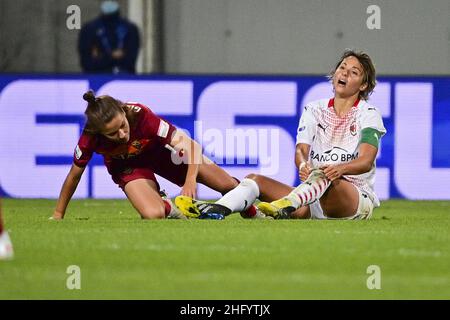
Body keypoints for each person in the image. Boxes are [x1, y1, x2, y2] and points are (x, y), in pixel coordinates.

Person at [176, 49, 386, 220]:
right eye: (342, 68)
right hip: (311, 196)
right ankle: (217, 210)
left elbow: (366, 161)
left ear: (364, 85)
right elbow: (301, 150)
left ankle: (286, 205)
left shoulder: (368, 114)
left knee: (324, 174)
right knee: (253, 180)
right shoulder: (314, 109)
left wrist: (338, 169)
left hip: (353, 199)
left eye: (354, 72)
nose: (345, 74)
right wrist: (303, 165)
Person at [52, 90, 251, 221]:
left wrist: (190, 181)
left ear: (123, 111)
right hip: (129, 168)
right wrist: (58, 214)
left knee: (228, 185)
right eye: (113, 134)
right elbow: (74, 176)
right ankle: (165, 204)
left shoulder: (141, 115)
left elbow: (192, 146)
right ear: (100, 133)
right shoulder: (89, 137)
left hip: (161, 154)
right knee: (152, 214)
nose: (122, 135)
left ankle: (253, 212)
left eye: (122, 126)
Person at [78, 1, 140, 74]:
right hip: (96, 75)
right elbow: (87, 61)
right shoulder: (89, 29)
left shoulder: (130, 28)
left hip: (124, 75)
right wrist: (112, 56)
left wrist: (102, 57)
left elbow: (130, 58)